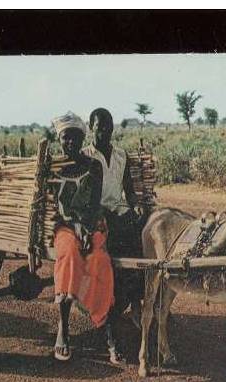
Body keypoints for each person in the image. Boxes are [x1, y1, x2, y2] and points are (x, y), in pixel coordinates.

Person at [50, 111, 124, 364]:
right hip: (65, 228)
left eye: (74, 138)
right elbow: (55, 209)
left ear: (83, 140)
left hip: (92, 225)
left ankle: (105, 326)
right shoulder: (54, 169)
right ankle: (63, 328)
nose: (70, 143)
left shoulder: (93, 166)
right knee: (69, 253)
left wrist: (86, 226)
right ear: (60, 140)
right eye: (65, 138)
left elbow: (94, 204)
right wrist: (74, 225)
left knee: (100, 261)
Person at [82, 108, 144, 328]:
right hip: (96, 212)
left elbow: (128, 188)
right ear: (91, 128)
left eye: (108, 127)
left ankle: (137, 302)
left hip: (119, 209)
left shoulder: (120, 155)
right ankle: (109, 305)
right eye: (100, 128)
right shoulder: (85, 156)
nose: (104, 132)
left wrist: (136, 206)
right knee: (116, 247)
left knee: (142, 241)